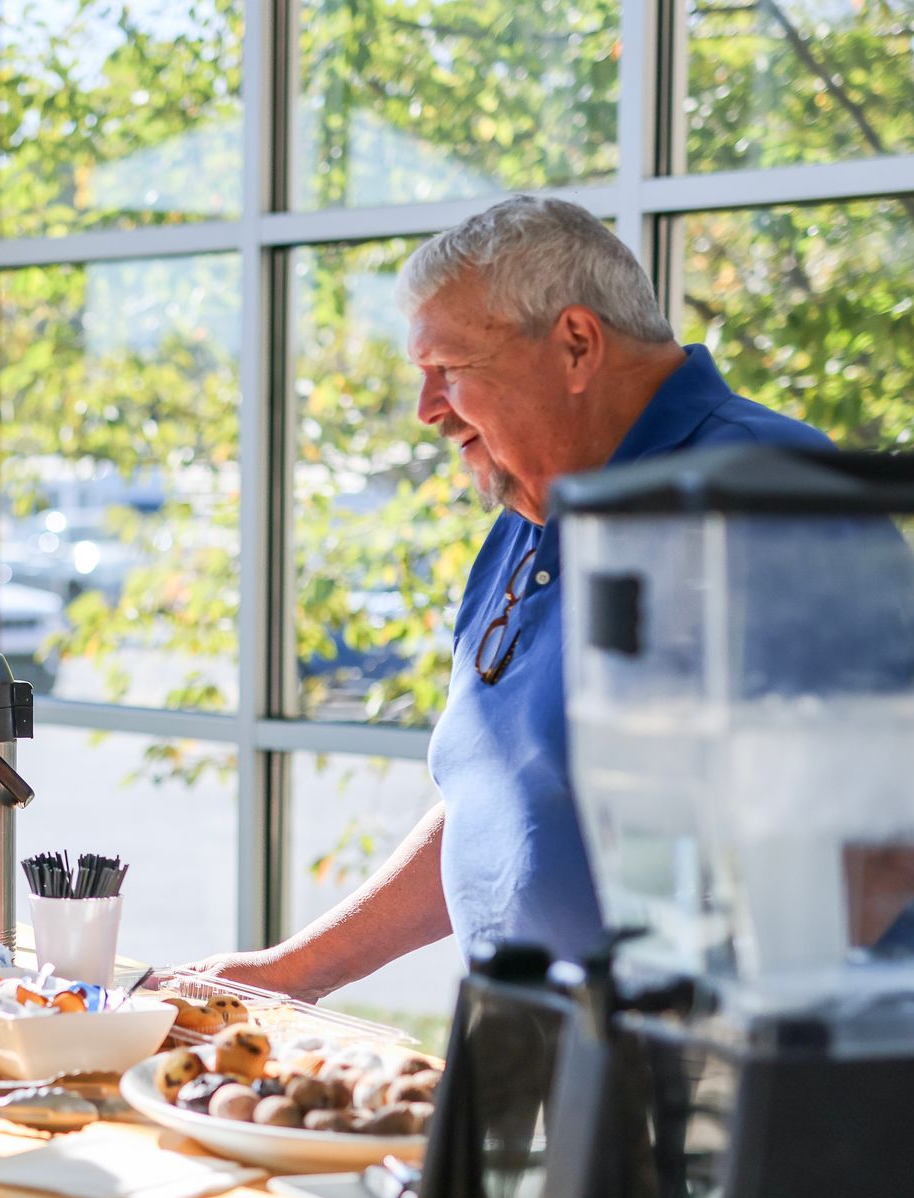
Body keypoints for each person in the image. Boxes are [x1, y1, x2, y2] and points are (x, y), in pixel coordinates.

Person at [193, 195, 832, 996]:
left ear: (574, 345)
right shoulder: (536, 507)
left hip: (705, 1083)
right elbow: (503, 800)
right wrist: (286, 973)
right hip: (561, 1062)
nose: (427, 411)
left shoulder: (759, 493)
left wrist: (664, 1077)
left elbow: (870, 847)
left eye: (449, 370)